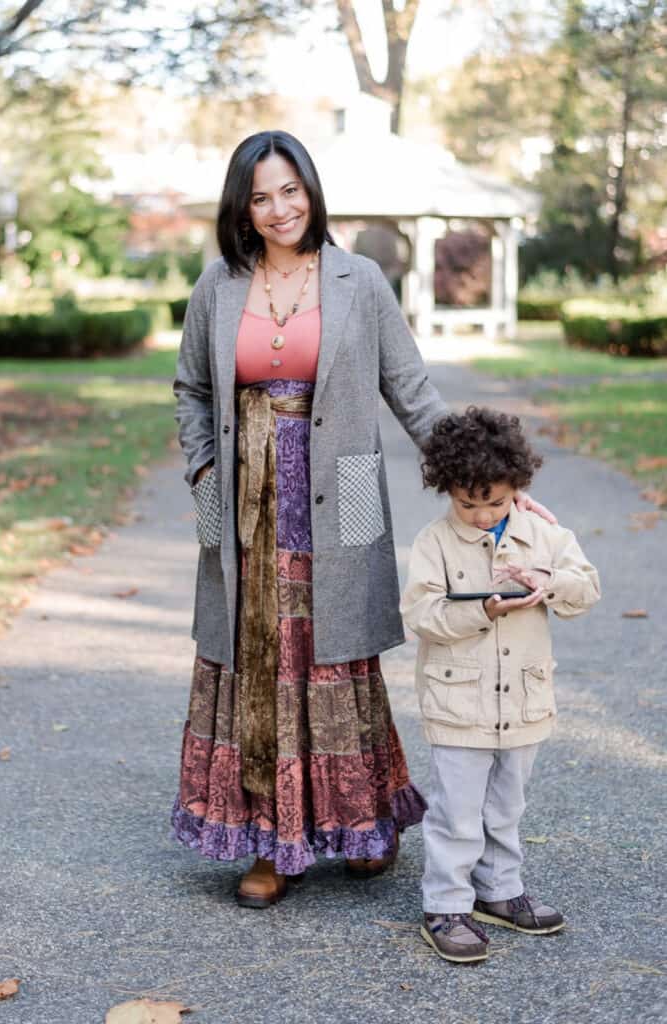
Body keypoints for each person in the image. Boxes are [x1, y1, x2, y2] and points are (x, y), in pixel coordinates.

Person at [171, 130, 553, 910]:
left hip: (335, 493)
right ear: (240, 208)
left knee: (331, 655)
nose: (279, 209)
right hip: (242, 506)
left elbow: (411, 392)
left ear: (310, 191)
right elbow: (189, 389)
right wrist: (205, 468)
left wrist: (491, 481)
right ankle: (269, 843)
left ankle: (359, 823)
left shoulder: (358, 280)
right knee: (254, 660)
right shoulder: (217, 284)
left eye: (290, 190)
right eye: (259, 196)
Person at [400, 406, 600, 963]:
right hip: (458, 703)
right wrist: (481, 610)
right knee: (457, 811)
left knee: (506, 805)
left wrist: (550, 581)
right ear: (447, 491)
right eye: (468, 503)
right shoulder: (435, 542)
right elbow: (422, 613)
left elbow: (586, 591)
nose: (483, 514)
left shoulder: (545, 535)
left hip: (524, 700)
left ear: (518, 487)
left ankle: (500, 890)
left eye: (496, 501)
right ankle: (445, 903)